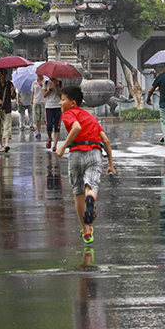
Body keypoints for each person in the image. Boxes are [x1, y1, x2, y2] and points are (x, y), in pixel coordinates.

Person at [55, 85, 115, 245]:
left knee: (77, 192)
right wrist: (111, 164)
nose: (60, 103)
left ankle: (86, 230)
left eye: (62, 100)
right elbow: (106, 140)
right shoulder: (91, 117)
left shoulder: (68, 114)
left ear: (73, 103)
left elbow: (76, 127)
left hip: (75, 153)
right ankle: (91, 199)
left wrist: (63, 146)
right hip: (94, 153)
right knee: (91, 186)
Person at [0, 68, 16, 153]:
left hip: (7, 107)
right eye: (1, 74)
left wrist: (13, 91)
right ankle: (1, 145)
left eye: (4, 74)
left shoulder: (9, 84)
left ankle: (7, 145)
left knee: (7, 126)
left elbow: (13, 97)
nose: (3, 76)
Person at [44, 77, 63, 149]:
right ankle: (49, 138)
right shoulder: (46, 83)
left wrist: (57, 89)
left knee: (57, 126)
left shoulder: (60, 83)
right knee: (49, 125)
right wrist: (51, 88)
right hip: (49, 106)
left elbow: (62, 95)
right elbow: (44, 94)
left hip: (58, 106)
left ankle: (55, 145)